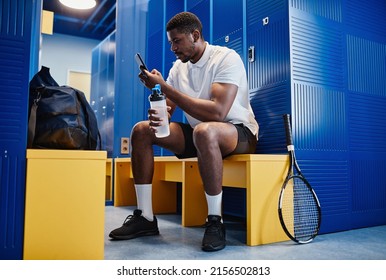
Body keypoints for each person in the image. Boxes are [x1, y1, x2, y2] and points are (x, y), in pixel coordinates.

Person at [109, 11, 259, 252]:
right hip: (201, 131)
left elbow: (218, 113)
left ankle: (215, 221)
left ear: (195, 35)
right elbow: (168, 110)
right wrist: (159, 110)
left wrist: (166, 87)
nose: (173, 48)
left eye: (177, 41)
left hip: (238, 132)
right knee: (141, 130)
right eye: (170, 42)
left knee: (205, 131)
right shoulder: (179, 68)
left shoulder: (225, 58)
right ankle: (145, 217)